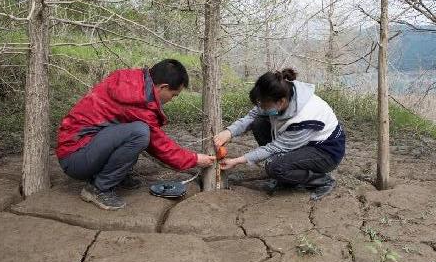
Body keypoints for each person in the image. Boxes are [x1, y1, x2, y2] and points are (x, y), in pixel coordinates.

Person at [56, 59, 216, 210]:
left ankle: (114, 176)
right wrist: (195, 159)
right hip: (75, 157)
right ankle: (98, 188)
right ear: (163, 87)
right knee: (139, 133)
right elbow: (160, 145)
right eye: (174, 95)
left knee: (135, 130)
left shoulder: (134, 82)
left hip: (84, 147)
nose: (172, 99)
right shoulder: (136, 101)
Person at [215, 68, 345, 200]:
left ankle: (323, 181)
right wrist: (229, 132)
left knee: (275, 167)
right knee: (258, 123)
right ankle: (288, 178)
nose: (262, 108)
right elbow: (253, 115)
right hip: (303, 142)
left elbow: (274, 148)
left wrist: (237, 161)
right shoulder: (277, 94)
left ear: (281, 102)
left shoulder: (305, 117)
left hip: (326, 152)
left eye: (264, 106)